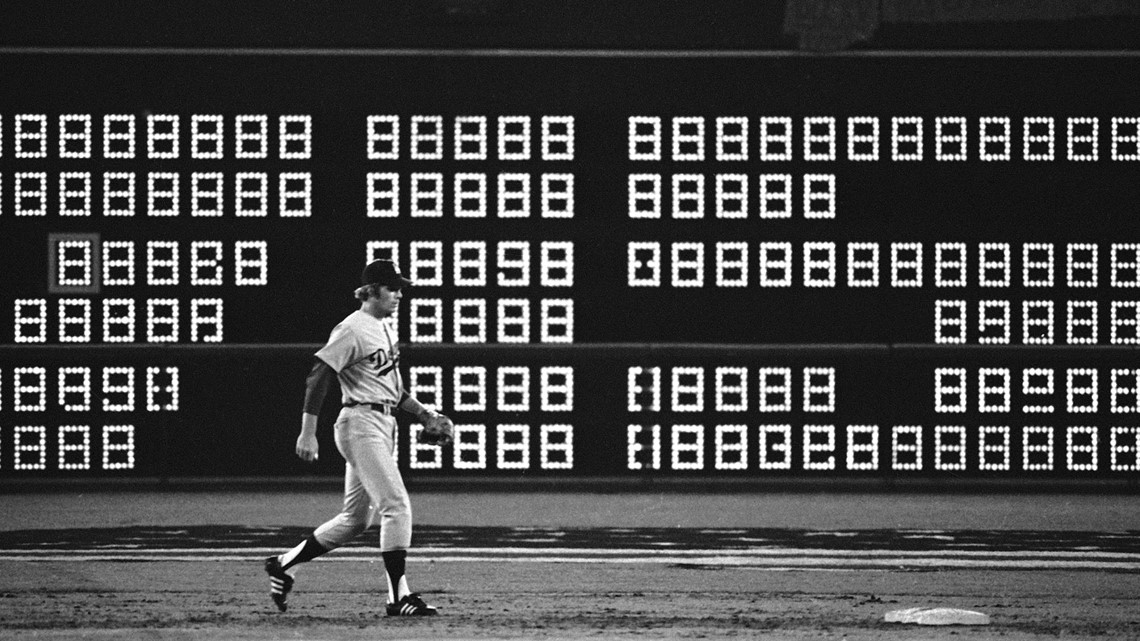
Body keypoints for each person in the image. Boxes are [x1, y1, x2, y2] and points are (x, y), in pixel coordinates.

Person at [264, 259, 452, 616]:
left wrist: (425, 414)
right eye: (393, 288)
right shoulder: (352, 328)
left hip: (381, 422)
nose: (399, 294)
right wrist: (308, 431)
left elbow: (393, 391)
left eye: (400, 288)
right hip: (360, 423)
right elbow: (319, 376)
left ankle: (283, 564)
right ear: (371, 291)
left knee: (355, 520)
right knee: (396, 507)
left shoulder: (384, 328)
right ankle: (398, 597)